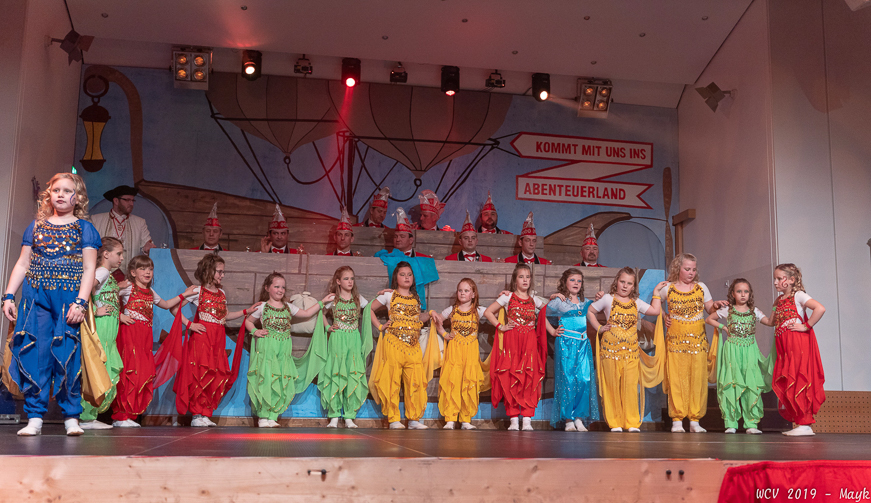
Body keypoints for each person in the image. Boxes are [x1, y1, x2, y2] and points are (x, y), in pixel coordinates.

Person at [2, 173, 101, 436]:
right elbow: (23, 263)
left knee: (67, 353)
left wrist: (81, 302)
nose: (60, 194)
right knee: (37, 353)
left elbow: (90, 269)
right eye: (56, 190)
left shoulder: (85, 228)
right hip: (37, 296)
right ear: (49, 194)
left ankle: (71, 416)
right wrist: (9, 295)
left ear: (77, 197)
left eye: (67, 190)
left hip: (69, 298)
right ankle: (35, 416)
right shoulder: (36, 227)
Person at [170, 254, 260, 427]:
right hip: (202, 338)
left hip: (218, 339)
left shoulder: (221, 293)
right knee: (200, 374)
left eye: (223, 272)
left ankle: (205, 412)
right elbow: (174, 308)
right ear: (208, 271)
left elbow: (225, 316)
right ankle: (196, 414)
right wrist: (190, 324)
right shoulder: (197, 291)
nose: (222, 275)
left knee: (215, 374)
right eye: (219, 271)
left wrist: (246, 311)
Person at [112, 255, 191, 427]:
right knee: (130, 372)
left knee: (142, 374)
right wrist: (119, 315)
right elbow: (104, 297)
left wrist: (184, 294)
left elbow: (167, 304)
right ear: (133, 272)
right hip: (130, 335)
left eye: (150, 269)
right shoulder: (128, 287)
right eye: (142, 268)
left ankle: (130, 415)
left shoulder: (151, 292)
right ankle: (121, 416)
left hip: (144, 339)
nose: (147, 272)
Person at [244, 273, 331, 428]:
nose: (280, 290)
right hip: (267, 348)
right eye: (276, 286)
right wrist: (255, 331)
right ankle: (263, 416)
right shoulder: (263, 307)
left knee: (280, 379)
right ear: (267, 288)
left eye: (283, 287)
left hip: (283, 349)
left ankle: (273, 415)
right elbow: (248, 321)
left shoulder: (288, 307)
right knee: (267, 379)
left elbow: (306, 313)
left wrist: (322, 302)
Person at [587, 268, 668, 432]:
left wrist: (656, 293)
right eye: (622, 282)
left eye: (629, 283)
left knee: (630, 387)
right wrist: (599, 328)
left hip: (631, 352)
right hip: (610, 351)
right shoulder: (607, 299)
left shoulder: (636, 302)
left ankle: (631, 422)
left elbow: (655, 311)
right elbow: (590, 311)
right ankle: (615, 422)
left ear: (633, 286)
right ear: (616, 281)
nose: (625, 286)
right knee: (612, 386)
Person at [658, 253, 724, 433]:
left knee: (697, 380)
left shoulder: (701, 287)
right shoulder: (668, 288)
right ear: (677, 268)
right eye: (687, 269)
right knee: (677, 379)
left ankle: (695, 421)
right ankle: (677, 421)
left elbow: (709, 308)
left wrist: (716, 305)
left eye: (693, 269)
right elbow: (654, 305)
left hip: (697, 342)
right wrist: (664, 315)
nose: (691, 273)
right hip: (676, 342)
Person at [368, 262, 438, 429]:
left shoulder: (415, 298)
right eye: (402, 274)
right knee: (391, 380)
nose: (406, 277)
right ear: (396, 277)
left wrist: (430, 313)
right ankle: (393, 419)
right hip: (394, 343)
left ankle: (413, 419)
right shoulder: (388, 295)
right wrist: (380, 326)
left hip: (413, 346)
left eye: (409, 274)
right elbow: (369, 309)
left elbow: (417, 319)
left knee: (415, 381)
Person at [483, 264, 550, 431]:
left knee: (529, 377)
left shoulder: (534, 299)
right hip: (512, 342)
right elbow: (488, 312)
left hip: (529, 342)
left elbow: (547, 311)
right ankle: (513, 419)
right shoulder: (507, 297)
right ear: (515, 280)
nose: (525, 280)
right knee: (511, 376)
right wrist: (500, 326)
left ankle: (527, 419)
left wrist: (555, 299)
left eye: (528, 277)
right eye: (521, 277)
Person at [704, 278, 774, 435]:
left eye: (746, 291)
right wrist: (724, 327)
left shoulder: (754, 311)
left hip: (750, 351)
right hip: (732, 351)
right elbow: (709, 319)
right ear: (733, 294)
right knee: (732, 383)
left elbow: (770, 322)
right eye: (739, 291)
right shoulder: (728, 311)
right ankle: (731, 423)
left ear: (750, 294)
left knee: (751, 384)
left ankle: (751, 423)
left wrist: (776, 307)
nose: (743, 295)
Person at [770, 263, 826, 437]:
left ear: (791, 280)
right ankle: (800, 422)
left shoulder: (799, 295)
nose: (775, 282)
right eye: (775, 279)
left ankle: (805, 423)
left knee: (799, 378)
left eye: (779, 278)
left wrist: (806, 326)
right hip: (785, 348)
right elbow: (771, 321)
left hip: (797, 345)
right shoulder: (779, 300)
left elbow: (820, 308)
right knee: (789, 380)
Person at [79, 237, 129, 430]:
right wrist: (94, 310)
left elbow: (101, 293)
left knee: (100, 368)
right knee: (98, 368)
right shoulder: (102, 271)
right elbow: (86, 287)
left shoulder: (107, 274)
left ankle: (89, 416)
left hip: (109, 328)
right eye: (119, 253)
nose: (121, 258)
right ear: (106, 254)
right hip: (102, 326)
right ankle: (87, 416)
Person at [318, 266, 374, 428]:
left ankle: (349, 415)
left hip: (353, 339)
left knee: (352, 373)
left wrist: (382, 295)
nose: (350, 282)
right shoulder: (333, 299)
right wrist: (327, 327)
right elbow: (321, 312)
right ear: (338, 281)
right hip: (337, 339)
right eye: (346, 278)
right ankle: (334, 415)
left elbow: (371, 307)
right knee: (336, 372)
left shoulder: (358, 299)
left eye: (352, 278)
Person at [545, 268, 599, 432]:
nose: (576, 283)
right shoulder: (559, 301)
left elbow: (599, 307)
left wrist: (601, 296)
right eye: (572, 280)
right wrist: (552, 331)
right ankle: (568, 419)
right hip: (566, 344)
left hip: (583, 345)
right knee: (568, 380)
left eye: (579, 281)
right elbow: (541, 314)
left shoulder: (585, 302)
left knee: (584, 380)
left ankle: (579, 418)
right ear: (565, 282)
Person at [435, 278, 489, 430]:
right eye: (460, 290)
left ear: (473, 294)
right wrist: (444, 334)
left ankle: (466, 419)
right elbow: (437, 320)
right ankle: (450, 419)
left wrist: (505, 296)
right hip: (454, 351)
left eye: (466, 290)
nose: (463, 293)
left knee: (469, 382)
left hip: (471, 353)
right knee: (452, 382)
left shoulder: (478, 310)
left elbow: (494, 312)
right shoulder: (451, 310)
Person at [91, 185, 155, 271]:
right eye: (127, 200)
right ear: (116, 201)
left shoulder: (140, 222)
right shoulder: (96, 220)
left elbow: (147, 246)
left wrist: (148, 249)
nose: (131, 204)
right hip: (103, 274)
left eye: (132, 200)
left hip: (129, 274)